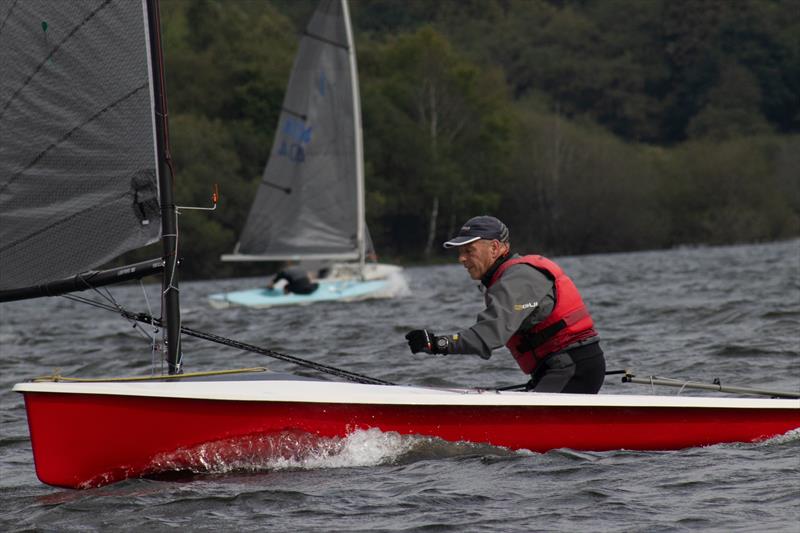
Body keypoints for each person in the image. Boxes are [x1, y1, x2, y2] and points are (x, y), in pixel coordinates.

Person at [405, 215, 605, 393]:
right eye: (460, 252)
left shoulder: (518, 278)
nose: (461, 259)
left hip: (573, 368)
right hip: (558, 368)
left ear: (494, 248)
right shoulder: (508, 277)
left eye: (469, 250)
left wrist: (437, 344)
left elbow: (488, 336)